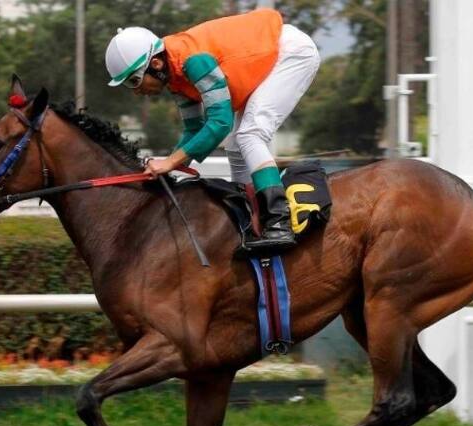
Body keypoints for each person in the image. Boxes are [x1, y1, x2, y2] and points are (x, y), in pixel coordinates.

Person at [104, 8, 320, 253]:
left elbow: (219, 123)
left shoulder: (193, 61)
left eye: (134, 80)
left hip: (291, 53)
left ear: (155, 64)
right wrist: (167, 166)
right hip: (270, 54)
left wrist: (170, 162)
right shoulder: (174, 78)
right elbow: (194, 129)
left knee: (249, 135)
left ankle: (279, 221)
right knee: (235, 145)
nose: (136, 90)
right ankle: (253, 218)